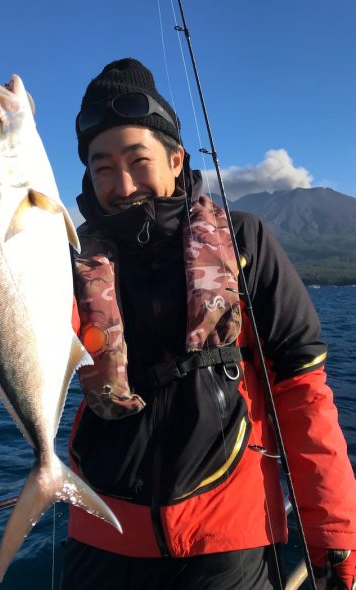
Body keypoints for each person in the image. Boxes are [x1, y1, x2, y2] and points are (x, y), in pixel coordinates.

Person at [61, 58, 356, 589]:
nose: (122, 185)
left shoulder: (245, 242)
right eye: (102, 167)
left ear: (176, 159)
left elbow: (302, 391)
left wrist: (332, 532)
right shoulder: (67, 262)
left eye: (138, 160)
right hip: (102, 536)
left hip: (229, 544)